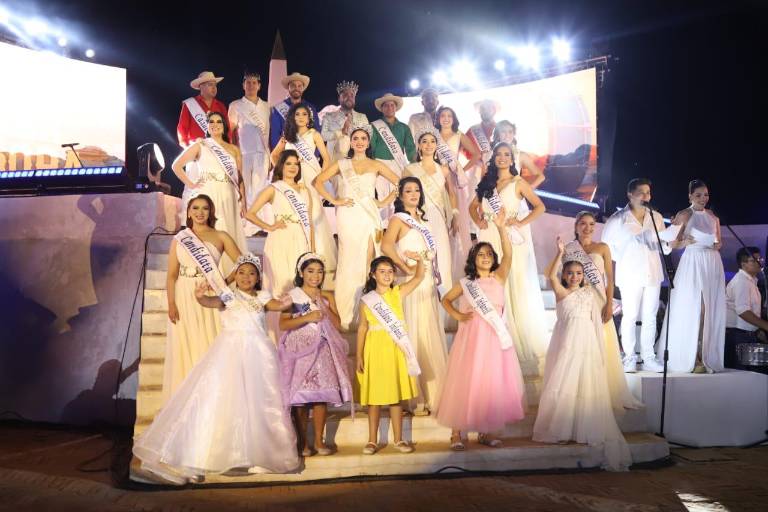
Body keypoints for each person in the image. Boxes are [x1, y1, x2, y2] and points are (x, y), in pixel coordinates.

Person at [134, 254, 298, 484]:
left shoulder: (262, 297)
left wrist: (289, 301)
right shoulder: (228, 296)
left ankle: (261, 454)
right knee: (221, 400)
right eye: (241, 272)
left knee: (259, 402)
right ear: (235, 276)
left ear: (258, 277)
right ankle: (201, 456)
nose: (246, 277)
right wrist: (200, 296)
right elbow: (209, 302)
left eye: (251, 273)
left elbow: (278, 306)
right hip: (229, 351)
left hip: (258, 355)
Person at [533, 238, 632, 472]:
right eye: (571, 273)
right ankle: (563, 428)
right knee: (565, 384)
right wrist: (559, 253)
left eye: (579, 273)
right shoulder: (560, 292)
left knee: (585, 386)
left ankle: (582, 428)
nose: (575, 276)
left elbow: (596, 323)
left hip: (586, 344)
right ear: (565, 275)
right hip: (568, 344)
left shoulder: (589, 293)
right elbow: (549, 275)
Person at [436, 208, 526, 450]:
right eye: (480, 254)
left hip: (495, 338)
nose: (485, 258)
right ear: (473, 259)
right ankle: (457, 433)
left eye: (488, 254)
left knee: (489, 383)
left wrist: (500, 227)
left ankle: (485, 431)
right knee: (466, 381)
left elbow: (508, 253)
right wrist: (457, 315)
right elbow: (445, 299)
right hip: (472, 337)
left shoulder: (499, 277)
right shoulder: (466, 284)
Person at [469, 142, 548, 376]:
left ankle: (513, 335)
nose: (502, 158)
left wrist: (521, 223)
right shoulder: (486, 183)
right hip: (489, 234)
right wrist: (480, 221)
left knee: (513, 282)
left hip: (512, 236)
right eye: (498, 155)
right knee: (491, 281)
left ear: (512, 160)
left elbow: (540, 207)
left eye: (506, 155)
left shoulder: (518, 183)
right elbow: (472, 207)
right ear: (493, 158)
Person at [314, 127, 400, 330]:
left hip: (369, 215)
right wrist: (334, 200)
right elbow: (317, 182)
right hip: (348, 215)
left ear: (368, 143)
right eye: (356, 138)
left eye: (363, 138)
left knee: (369, 258)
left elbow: (400, 183)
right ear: (351, 142)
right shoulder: (342, 164)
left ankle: (369, 307)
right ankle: (346, 312)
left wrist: (383, 202)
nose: (360, 142)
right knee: (349, 258)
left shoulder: (375, 164)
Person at [162, 194, 242, 403]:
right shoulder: (180, 239)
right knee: (186, 344)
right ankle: (187, 401)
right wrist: (171, 303)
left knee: (209, 343)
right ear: (188, 212)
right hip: (184, 296)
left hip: (210, 296)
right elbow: (171, 276)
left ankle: (211, 399)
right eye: (195, 208)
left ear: (210, 212)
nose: (200, 212)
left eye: (205, 208)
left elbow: (245, 264)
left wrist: (224, 280)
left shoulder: (221, 236)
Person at [381, 177, 449, 415]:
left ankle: (434, 393)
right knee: (414, 332)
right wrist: (405, 267)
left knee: (429, 331)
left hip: (427, 281)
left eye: (416, 190)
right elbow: (386, 246)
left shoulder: (424, 220)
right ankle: (415, 395)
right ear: (400, 195)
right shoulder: (398, 219)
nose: (413, 194)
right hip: (410, 282)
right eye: (408, 190)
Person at [565, 212, 642, 412]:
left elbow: (609, 279)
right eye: (582, 223)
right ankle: (582, 388)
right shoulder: (569, 249)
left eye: (591, 224)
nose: (587, 227)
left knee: (603, 346)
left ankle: (603, 390)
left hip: (599, 301)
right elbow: (564, 278)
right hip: (578, 302)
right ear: (576, 226)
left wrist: (609, 304)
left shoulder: (603, 248)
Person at [278, 253, 353, 457]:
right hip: (300, 348)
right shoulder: (292, 296)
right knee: (300, 398)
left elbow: (338, 325)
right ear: (301, 273)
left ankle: (319, 441)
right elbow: (283, 324)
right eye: (310, 271)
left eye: (319, 272)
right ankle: (302, 442)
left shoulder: (327, 296)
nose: (315, 276)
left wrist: (323, 306)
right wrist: (307, 317)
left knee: (321, 397)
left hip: (323, 348)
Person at [356, 255, 425, 455]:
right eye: (382, 271)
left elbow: (419, 277)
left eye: (390, 271)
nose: (387, 275)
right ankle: (371, 440)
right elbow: (362, 327)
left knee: (396, 398)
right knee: (375, 399)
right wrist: (359, 355)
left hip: (396, 347)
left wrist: (419, 261)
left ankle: (398, 439)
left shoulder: (397, 292)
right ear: (373, 275)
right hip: (375, 347)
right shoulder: (366, 300)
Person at [657, 180, 726, 373]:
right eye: (699, 195)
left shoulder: (712, 216)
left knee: (709, 310)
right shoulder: (684, 214)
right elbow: (670, 244)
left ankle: (704, 355)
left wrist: (716, 245)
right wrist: (684, 241)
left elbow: (718, 241)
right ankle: (690, 355)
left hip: (712, 262)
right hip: (693, 262)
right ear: (690, 196)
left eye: (706, 195)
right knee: (697, 308)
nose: (703, 198)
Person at [602, 178, 670, 373]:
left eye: (648, 193)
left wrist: (672, 241)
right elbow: (606, 246)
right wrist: (626, 254)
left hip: (653, 273)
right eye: (641, 192)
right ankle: (630, 357)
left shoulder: (655, 217)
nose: (646, 196)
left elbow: (663, 246)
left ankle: (648, 357)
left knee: (650, 316)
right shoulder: (618, 218)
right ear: (630, 194)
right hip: (630, 273)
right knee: (630, 316)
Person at [171, 111, 248, 271]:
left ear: (224, 126)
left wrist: (244, 203)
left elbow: (239, 178)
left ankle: (230, 274)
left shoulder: (234, 149)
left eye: (218, 122)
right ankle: (210, 273)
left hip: (228, 194)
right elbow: (176, 166)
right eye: (211, 122)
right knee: (211, 230)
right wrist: (192, 185)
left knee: (228, 230)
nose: (215, 125)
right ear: (207, 125)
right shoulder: (201, 145)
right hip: (208, 193)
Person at [272, 103, 337, 287]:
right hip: (292, 179)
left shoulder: (314, 134)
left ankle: (315, 257)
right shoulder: (288, 137)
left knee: (313, 216)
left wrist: (321, 179)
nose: (301, 117)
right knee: (296, 216)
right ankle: (298, 253)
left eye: (304, 114)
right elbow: (274, 156)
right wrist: (282, 172)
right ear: (292, 117)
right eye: (297, 114)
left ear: (309, 118)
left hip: (310, 178)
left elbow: (327, 158)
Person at [246, 150, 314, 301]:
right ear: (281, 165)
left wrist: (312, 251)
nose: (292, 167)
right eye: (288, 163)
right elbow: (250, 214)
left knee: (298, 282)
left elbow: (310, 223)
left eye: (296, 164)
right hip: (280, 239)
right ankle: (276, 323)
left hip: (301, 239)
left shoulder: (304, 190)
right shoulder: (274, 188)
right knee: (280, 283)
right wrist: (268, 227)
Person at [403, 131, 458, 293]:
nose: (428, 145)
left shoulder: (444, 170)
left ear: (436, 145)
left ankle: (444, 302)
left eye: (432, 141)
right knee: (422, 255)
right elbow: (402, 195)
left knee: (441, 256)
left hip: (438, 219)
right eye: (424, 141)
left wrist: (455, 215)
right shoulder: (410, 169)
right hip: (418, 219)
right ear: (419, 145)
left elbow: (452, 194)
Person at [434, 106, 482, 276]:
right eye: (443, 115)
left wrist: (461, 169)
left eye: (449, 116)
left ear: (453, 119)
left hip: (454, 181)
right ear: (438, 118)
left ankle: (458, 268)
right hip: (436, 179)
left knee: (457, 223)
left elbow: (477, 154)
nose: (446, 118)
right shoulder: (433, 135)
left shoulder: (459, 135)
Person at [176, 71, 228, 215]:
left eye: (214, 85)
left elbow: (227, 131)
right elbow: (182, 130)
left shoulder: (221, 106)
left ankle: (213, 218)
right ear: (201, 87)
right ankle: (187, 221)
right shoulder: (190, 104)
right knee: (192, 186)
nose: (214, 88)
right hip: (195, 152)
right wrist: (189, 151)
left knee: (215, 186)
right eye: (210, 85)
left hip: (216, 154)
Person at [228, 70, 271, 235]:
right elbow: (230, 130)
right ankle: (243, 226)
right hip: (244, 153)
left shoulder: (267, 107)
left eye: (254, 83)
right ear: (243, 85)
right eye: (248, 82)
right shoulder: (236, 105)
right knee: (243, 189)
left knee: (260, 189)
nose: (251, 85)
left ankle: (258, 226)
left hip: (262, 153)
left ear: (259, 86)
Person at [369, 93, 417, 222]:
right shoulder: (374, 126)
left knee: (398, 195)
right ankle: (384, 227)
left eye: (392, 105)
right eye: (386, 105)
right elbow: (371, 148)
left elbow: (411, 149)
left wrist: (416, 165)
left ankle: (399, 223)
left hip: (398, 164)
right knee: (383, 196)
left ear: (395, 108)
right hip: (380, 163)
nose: (389, 107)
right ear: (382, 108)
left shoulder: (404, 128)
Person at [725, 247, 768, 368]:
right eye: (755, 260)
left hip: (746, 335)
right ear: (743, 264)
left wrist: (758, 330)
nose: (760, 262)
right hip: (738, 337)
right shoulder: (741, 281)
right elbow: (743, 311)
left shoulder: (751, 281)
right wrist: (765, 326)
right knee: (741, 377)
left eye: (761, 258)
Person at [269, 72, 321, 150]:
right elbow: (275, 136)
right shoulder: (277, 109)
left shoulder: (311, 108)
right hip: (287, 155)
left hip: (308, 156)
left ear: (303, 89)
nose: (296, 88)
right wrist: (279, 157)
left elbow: (317, 131)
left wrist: (315, 154)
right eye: (293, 85)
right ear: (288, 88)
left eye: (299, 86)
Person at [321, 81, 369, 161]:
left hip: (356, 162)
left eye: (352, 95)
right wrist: (341, 132)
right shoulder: (329, 116)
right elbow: (323, 136)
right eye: (345, 95)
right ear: (339, 98)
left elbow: (367, 139)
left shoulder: (362, 117)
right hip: (334, 162)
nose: (349, 97)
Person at [491, 120, 544, 189]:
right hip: (493, 196)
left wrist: (527, 191)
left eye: (510, 132)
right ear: (498, 134)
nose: (507, 135)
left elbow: (540, 176)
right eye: (503, 131)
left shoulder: (520, 155)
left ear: (513, 134)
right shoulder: (489, 154)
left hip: (513, 197)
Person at [466, 99, 499, 165]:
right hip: (475, 171)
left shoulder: (501, 129)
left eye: (489, 108)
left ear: (494, 110)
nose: (485, 111)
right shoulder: (472, 130)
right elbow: (463, 150)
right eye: (483, 109)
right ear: (479, 111)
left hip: (496, 170)